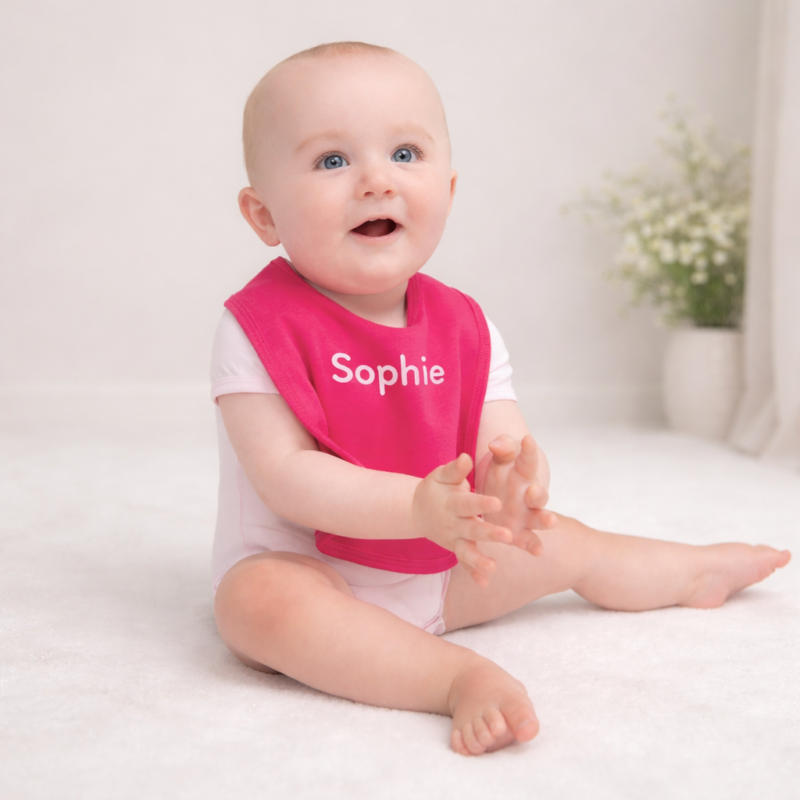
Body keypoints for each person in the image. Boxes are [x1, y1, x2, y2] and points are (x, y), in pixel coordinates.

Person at [210, 41, 791, 757]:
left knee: (562, 539)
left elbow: (502, 443)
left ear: (449, 189)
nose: (375, 181)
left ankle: (684, 570)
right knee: (255, 604)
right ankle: (456, 678)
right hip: (317, 578)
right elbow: (286, 478)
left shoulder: (465, 325)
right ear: (263, 214)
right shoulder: (257, 325)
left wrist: (515, 484)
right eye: (332, 160)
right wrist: (415, 506)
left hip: (446, 568)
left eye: (404, 153)